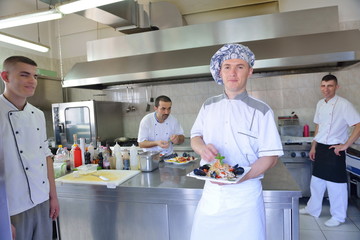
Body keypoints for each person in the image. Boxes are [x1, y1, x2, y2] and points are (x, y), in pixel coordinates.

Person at [190, 43, 283, 240]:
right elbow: (195, 137)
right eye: (227, 67)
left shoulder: (262, 111)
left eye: (239, 67)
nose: (233, 72)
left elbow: (270, 157)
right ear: (220, 72)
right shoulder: (208, 106)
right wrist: (202, 148)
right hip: (212, 195)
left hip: (245, 197)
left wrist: (238, 178)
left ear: (249, 71)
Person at [0, 56, 60, 239]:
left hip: (41, 201)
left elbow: (45, 156)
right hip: (12, 208)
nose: (32, 81)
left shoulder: (38, 114)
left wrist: (53, 197)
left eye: (35, 76)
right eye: (25, 75)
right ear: (6, 76)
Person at [300, 74, 360, 227]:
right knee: (317, 182)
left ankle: (339, 216)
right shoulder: (320, 103)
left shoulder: (344, 104)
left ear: (336, 87)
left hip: (335, 149)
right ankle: (313, 209)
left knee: (336, 185)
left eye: (330, 86)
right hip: (321, 147)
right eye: (323, 86)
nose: (326, 89)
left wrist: (346, 145)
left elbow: (358, 125)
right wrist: (314, 146)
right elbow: (318, 126)